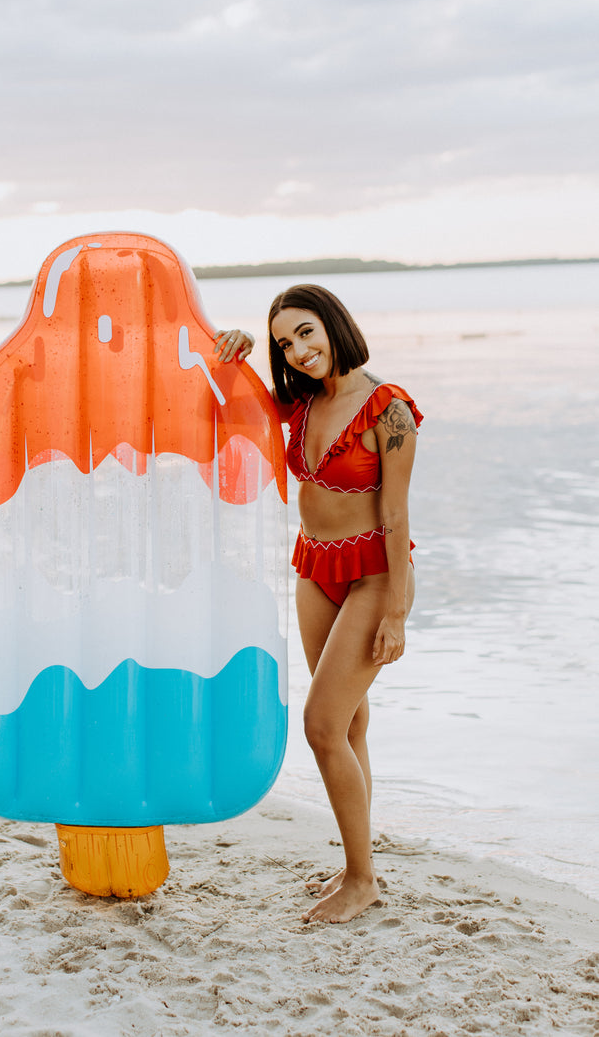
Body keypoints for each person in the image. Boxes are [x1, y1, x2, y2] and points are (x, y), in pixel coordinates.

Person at [213, 284, 422, 924]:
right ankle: (358, 859)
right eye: (284, 342)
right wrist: (237, 355)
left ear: (334, 325)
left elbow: (394, 518)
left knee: (322, 726)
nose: (298, 351)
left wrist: (396, 613)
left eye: (307, 332)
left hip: (373, 576)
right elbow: (226, 405)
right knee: (351, 724)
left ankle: (363, 881)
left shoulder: (389, 412)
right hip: (314, 567)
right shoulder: (300, 404)